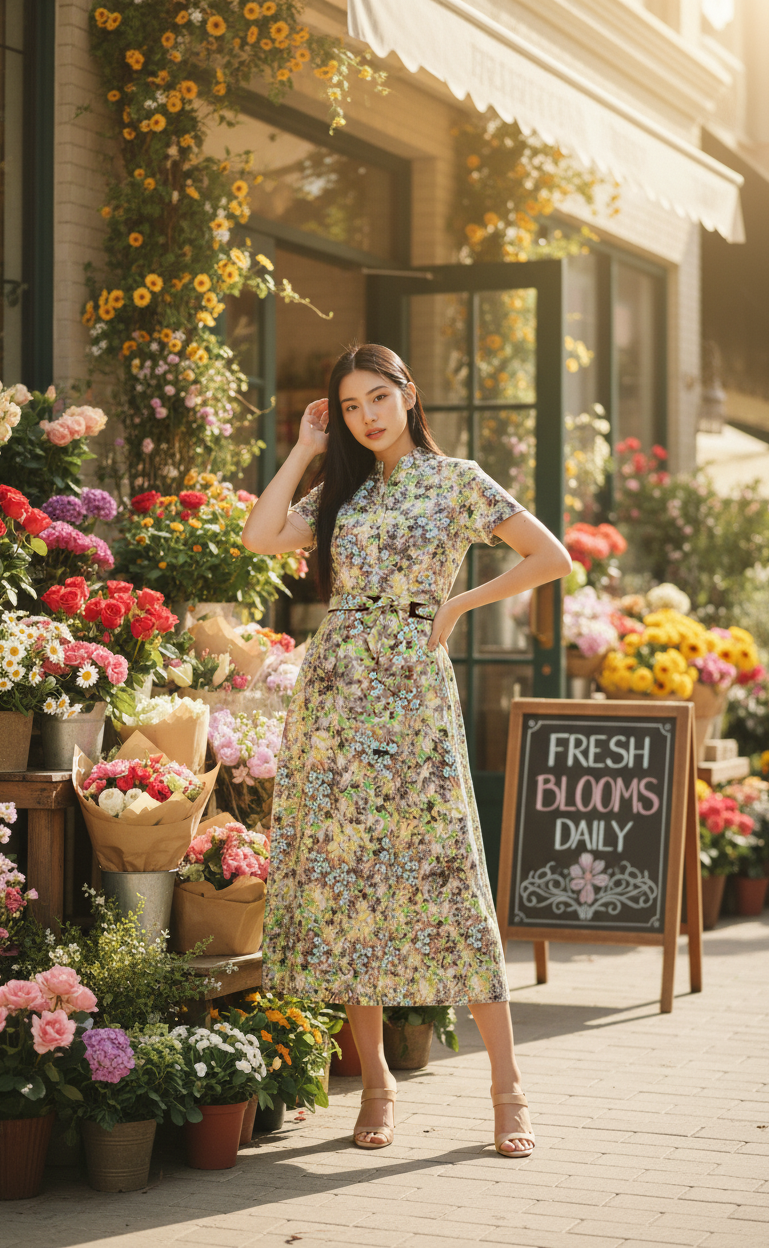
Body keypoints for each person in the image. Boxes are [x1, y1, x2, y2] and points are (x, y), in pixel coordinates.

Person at [242, 343, 571, 1154]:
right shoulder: (343, 493)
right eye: (351, 406)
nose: (367, 416)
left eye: (377, 398)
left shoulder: (456, 478)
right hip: (334, 697)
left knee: (446, 873)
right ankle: (378, 1085)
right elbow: (259, 536)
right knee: (352, 880)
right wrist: (306, 447)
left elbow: (550, 556)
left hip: (413, 693)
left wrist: (459, 604)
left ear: (408, 394)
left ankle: (509, 1089)